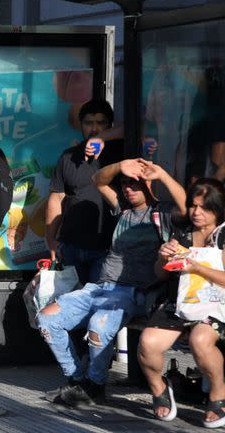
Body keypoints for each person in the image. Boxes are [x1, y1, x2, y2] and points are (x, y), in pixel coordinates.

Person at [37, 158, 186, 406]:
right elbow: (99, 180)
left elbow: (185, 204)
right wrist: (120, 166)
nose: (128, 188)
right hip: (99, 288)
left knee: (99, 326)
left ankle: (95, 385)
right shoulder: (123, 209)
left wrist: (161, 174)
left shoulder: (163, 213)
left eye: (135, 184)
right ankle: (77, 380)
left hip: (132, 292)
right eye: (125, 184)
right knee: (46, 319)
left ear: (149, 185)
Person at [139, 178, 225, 426]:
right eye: (194, 206)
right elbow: (161, 274)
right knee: (148, 343)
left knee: (200, 340)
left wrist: (196, 266)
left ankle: (218, 392)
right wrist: (163, 256)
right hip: (181, 303)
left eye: (204, 208)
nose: (196, 213)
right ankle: (160, 389)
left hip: (216, 305)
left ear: (218, 209)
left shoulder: (223, 235)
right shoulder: (183, 232)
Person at [46, 100, 125, 284]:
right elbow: (56, 198)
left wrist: (102, 138)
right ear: (81, 125)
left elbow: (140, 125)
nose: (94, 128)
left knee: (99, 304)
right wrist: (51, 241)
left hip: (108, 249)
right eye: (89, 123)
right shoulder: (68, 156)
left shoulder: (122, 154)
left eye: (101, 123)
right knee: (69, 304)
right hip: (71, 246)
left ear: (109, 125)